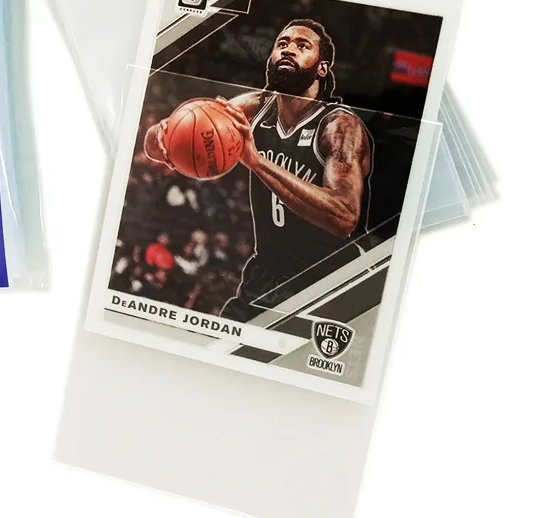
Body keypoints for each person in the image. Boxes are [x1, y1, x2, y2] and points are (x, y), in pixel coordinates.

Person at [143, 19, 372, 322]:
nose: (289, 49)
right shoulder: (256, 108)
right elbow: (155, 146)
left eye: (302, 46)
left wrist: (257, 162)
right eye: (282, 44)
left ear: (322, 68)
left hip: (328, 284)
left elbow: (343, 216)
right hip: (266, 276)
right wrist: (165, 134)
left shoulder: (339, 126)